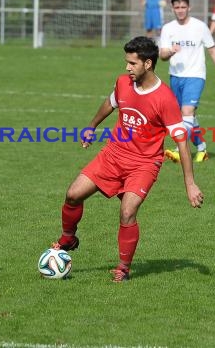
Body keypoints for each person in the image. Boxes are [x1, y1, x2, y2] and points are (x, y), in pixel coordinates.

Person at [51, 36, 204, 282]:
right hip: (113, 155)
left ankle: (123, 267)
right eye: (127, 62)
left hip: (144, 164)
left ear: (148, 64)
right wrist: (91, 126)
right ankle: (68, 237)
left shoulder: (165, 99)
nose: (127, 68)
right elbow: (110, 103)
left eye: (132, 63)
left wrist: (190, 183)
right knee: (72, 194)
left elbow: (182, 143)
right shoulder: (123, 83)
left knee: (127, 211)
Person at [159, 0, 215, 163]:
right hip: (175, 76)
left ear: (189, 7)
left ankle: (178, 150)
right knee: (186, 117)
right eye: (177, 7)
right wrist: (170, 51)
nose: (180, 10)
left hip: (196, 75)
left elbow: (212, 49)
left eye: (183, 7)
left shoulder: (200, 27)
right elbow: (162, 55)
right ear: (172, 8)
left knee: (187, 112)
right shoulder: (168, 28)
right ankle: (202, 148)